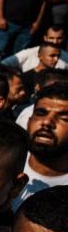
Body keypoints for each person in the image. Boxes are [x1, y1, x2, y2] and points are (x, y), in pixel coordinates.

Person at [14, 83, 68, 211]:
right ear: (29, 121)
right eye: (40, 113)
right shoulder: (2, 163)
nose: (47, 122)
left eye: (65, 118)